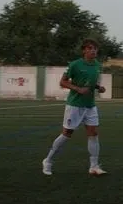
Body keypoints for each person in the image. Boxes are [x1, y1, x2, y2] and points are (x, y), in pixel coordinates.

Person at [42, 39, 107, 176]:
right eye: (90, 48)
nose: (93, 51)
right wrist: (77, 89)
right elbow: (63, 82)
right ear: (84, 50)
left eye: (95, 48)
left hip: (90, 105)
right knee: (67, 134)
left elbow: (91, 83)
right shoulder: (75, 65)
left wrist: (98, 88)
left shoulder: (97, 65)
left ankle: (94, 166)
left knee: (93, 134)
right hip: (75, 105)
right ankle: (48, 161)